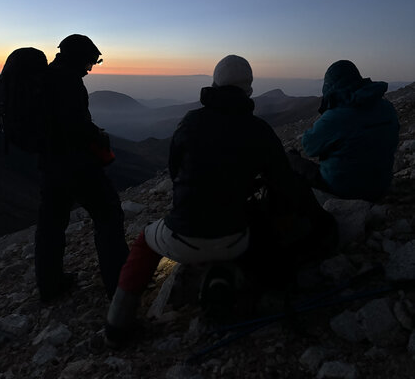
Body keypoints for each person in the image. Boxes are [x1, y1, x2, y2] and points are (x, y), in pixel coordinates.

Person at [105, 54, 301, 343]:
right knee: (254, 233)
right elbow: (282, 181)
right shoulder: (259, 129)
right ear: (248, 89)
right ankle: (228, 282)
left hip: (182, 237)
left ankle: (117, 327)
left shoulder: (191, 122)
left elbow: (175, 170)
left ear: (214, 83)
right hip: (236, 239)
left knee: (145, 242)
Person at [35, 34, 129, 302]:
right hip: (77, 165)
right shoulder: (68, 80)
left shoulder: (46, 77)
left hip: (49, 164)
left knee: (51, 224)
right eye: (89, 63)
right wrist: (96, 136)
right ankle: (120, 288)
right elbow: (74, 125)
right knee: (108, 215)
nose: (89, 69)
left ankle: (49, 286)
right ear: (78, 58)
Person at [293, 60, 399, 201]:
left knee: (291, 159)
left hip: (344, 189)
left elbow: (309, 147)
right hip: (380, 187)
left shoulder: (335, 116)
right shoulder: (387, 107)